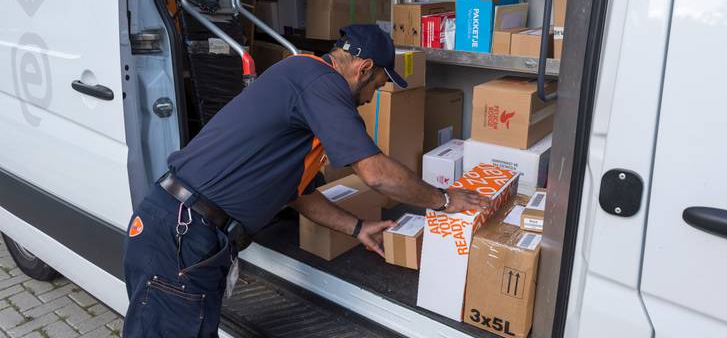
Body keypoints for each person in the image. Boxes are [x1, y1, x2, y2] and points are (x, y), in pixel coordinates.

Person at [122, 24, 490, 337]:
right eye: (377, 86)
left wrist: (358, 227)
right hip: (182, 236)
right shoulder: (320, 82)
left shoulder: (304, 78)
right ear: (364, 69)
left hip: (186, 232)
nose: (369, 99)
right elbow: (376, 174)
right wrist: (445, 200)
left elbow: (298, 194)